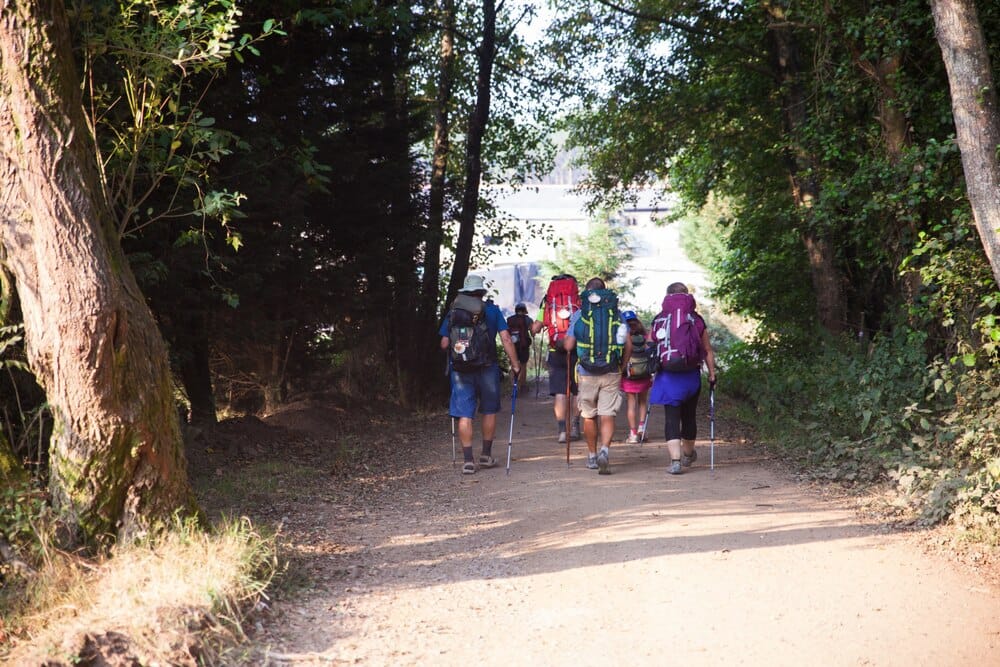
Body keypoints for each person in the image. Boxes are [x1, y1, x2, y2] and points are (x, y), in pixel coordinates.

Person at [439, 274, 521, 474]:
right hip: (487, 367)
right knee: (489, 410)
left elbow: (444, 343)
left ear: (465, 292)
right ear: (481, 292)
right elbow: (506, 339)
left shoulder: (454, 311)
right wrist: (515, 364)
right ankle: (485, 455)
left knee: (465, 414)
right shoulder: (492, 310)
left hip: (461, 370)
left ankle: (468, 461)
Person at [648, 282, 717, 475]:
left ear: (667, 296)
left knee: (671, 418)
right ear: (688, 296)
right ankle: (688, 454)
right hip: (691, 376)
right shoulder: (696, 319)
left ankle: (675, 461)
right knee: (689, 416)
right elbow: (707, 350)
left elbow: (650, 345)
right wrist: (712, 374)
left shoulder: (660, 319)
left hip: (667, 376)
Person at [564, 277, 623, 474]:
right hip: (611, 370)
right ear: (604, 292)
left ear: (587, 293)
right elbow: (628, 343)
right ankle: (604, 451)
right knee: (608, 413)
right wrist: (622, 365)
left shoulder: (579, 314)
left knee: (589, 415)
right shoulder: (616, 313)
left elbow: (569, 345)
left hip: (586, 372)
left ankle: (591, 456)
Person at [531, 275, 582, 444]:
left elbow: (536, 328)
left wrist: (534, 328)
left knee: (560, 392)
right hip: (577, 350)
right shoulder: (578, 301)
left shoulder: (548, 303)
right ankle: (575, 426)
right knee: (577, 391)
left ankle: (562, 431)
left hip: (556, 351)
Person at [619, 310, 652, 444]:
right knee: (643, 402)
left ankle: (633, 434)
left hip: (629, 375)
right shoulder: (645, 336)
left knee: (631, 405)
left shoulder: (623, 337)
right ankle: (642, 430)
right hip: (644, 375)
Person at [506, 303, 533, 387]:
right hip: (523, 346)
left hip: (512, 346)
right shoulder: (527, 319)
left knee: (513, 365)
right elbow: (533, 331)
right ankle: (522, 386)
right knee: (523, 365)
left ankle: (513, 385)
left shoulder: (510, 319)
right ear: (524, 310)